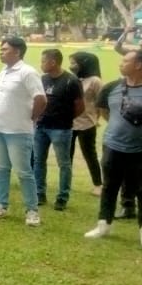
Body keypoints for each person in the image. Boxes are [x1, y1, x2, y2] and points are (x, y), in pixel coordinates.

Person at [84, 50, 142, 242]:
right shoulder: (111, 87)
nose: (121, 63)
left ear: (138, 65)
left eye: (125, 60)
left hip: (139, 150)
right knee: (109, 186)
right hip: (113, 147)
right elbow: (104, 111)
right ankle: (103, 225)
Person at [0, 37, 46, 226]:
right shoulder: (4, 72)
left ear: (17, 52)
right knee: (1, 169)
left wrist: (32, 118)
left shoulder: (27, 72)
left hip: (18, 131)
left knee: (23, 172)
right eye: (1, 49)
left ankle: (32, 210)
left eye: (5, 49)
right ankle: (1, 204)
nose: (1, 52)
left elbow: (40, 99)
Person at [33, 49, 83, 210]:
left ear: (53, 62)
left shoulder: (71, 81)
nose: (41, 64)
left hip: (61, 129)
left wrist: (65, 119)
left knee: (64, 163)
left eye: (43, 61)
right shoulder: (42, 79)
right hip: (41, 127)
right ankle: (39, 193)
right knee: (38, 161)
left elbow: (80, 106)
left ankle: (62, 197)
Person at [68, 52, 104, 198]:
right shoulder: (71, 78)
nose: (71, 66)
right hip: (69, 123)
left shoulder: (95, 81)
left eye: (74, 63)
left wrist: (96, 118)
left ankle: (98, 184)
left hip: (87, 124)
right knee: (66, 155)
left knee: (89, 154)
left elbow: (101, 102)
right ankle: (66, 183)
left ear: (84, 63)